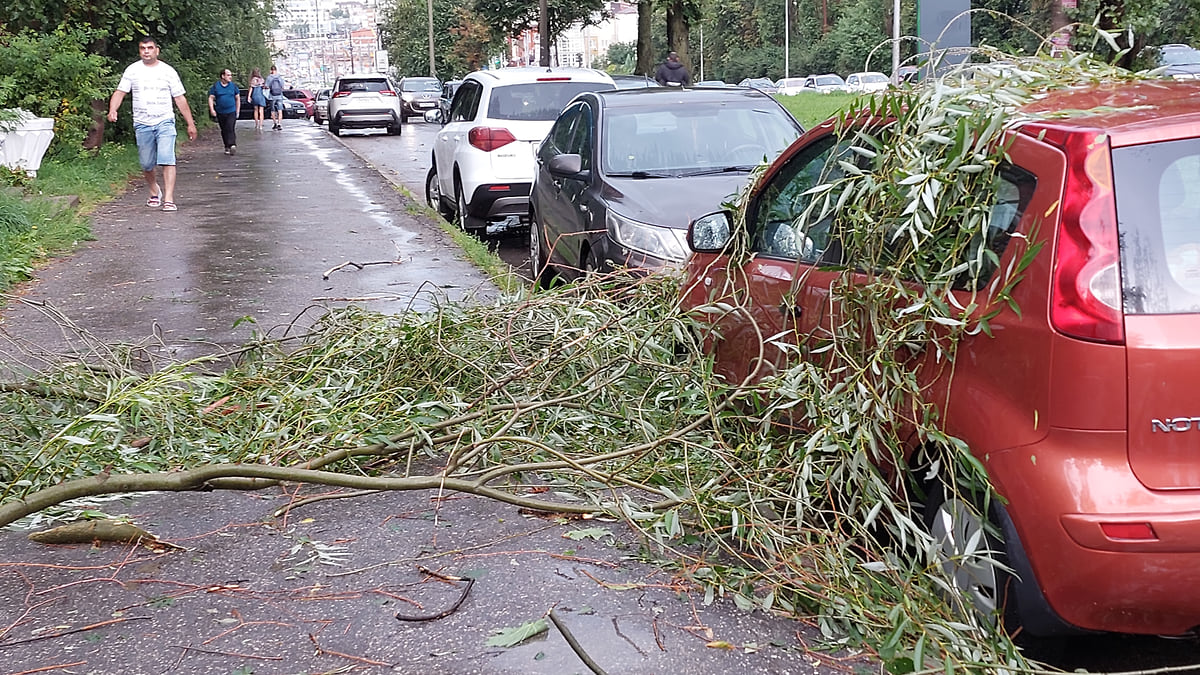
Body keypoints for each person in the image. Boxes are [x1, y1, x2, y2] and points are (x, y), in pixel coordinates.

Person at [107, 36, 198, 213]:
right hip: (142, 123)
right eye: (143, 48)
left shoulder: (168, 71)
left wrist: (190, 124)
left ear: (157, 50)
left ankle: (169, 199)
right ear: (140, 51)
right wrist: (113, 110)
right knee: (147, 164)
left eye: (150, 48)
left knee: (167, 158)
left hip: (164, 120)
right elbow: (120, 92)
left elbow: (179, 98)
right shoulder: (132, 70)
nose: (146, 51)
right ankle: (154, 189)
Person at [207, 68, 241, 155]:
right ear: (223, 76)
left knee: (230, 127)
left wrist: (237, 110)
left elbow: (237, 98)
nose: (230, 77)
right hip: (220, 112)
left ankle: (232, 144)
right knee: (224, 129)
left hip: (231, 111)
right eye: (228, 75)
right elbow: (211, 98)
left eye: (231, 75)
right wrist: (212, 109)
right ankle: (227, 146)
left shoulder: (233, 86)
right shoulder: (216, 86)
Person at [265, 65, 286, 130]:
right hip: (279, 95)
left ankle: (275, 123)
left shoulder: (269, 77)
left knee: (272, 109)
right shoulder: (280, 77)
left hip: (272, 96)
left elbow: (266, 86)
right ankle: (279, 123)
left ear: (271, 70)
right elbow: (283, 87)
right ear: (276, 70)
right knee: (280, 110)